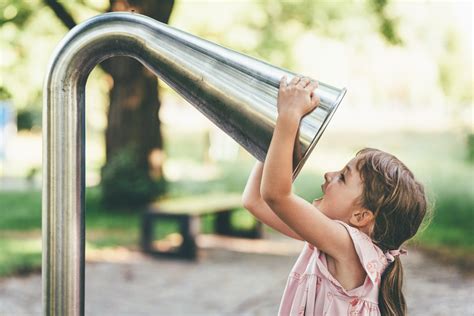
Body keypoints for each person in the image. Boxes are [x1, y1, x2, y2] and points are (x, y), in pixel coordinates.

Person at [242, 76, 430, 316]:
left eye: (342, 177)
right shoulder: (330, 240)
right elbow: (255, 201)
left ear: (361, 215)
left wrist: (288, 118)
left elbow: (275, 195)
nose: (329, 174)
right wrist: (275, 135)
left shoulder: (348, 245)